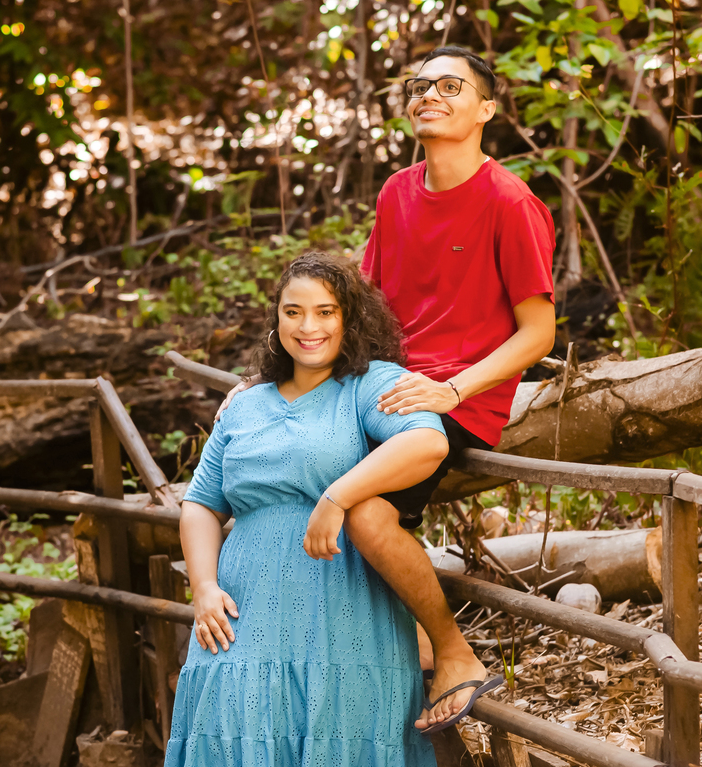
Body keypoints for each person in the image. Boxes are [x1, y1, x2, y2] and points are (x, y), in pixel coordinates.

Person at [218, 45, 556, 734]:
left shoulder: (509, 201)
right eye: (419, 85)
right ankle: (311, 665)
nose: (429, 94)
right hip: (379, 380)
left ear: (486, 109)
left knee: (366, 513)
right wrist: (265, 383)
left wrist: (452, 391)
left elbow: (537, 334)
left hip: (453, 395)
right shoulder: (397, 191)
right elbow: (361, 304)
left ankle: (451, 651)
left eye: (450, 86)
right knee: (273, 481)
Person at [166, 252, 454, 767]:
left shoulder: (371, 384)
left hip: (345, 610)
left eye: (325, 312)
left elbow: (427, 444)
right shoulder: (245, 404)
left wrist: (336, 496)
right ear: (277, 319)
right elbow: (201, 503)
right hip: (240, 607)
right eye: (293, 311)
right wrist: (204, 586)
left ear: (349, 319)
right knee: (235, 730)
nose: (308, 326)